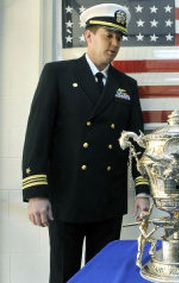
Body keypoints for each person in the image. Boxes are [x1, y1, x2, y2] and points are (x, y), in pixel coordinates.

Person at [21, 3, 150, 282]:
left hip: (107, 199)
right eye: (108, 36)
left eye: (119, 38)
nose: (115, 44)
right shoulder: (57, 74)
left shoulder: (126, 85)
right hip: (66, 197)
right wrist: (36, 193)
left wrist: (143, 190)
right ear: (89, 36)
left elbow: (137, 145)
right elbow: (37, 133)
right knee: (64, 274)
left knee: (103, 276)